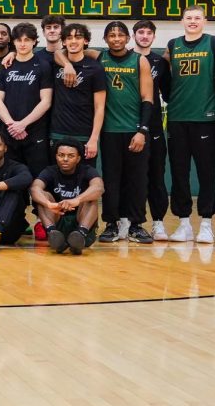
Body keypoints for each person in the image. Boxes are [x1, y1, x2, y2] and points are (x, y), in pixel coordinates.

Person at [164, 4, 215, 244]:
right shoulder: (173, 45)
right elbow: (160, 71)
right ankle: (184, 224)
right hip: (177, 117)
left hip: (205, 118)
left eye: (197, 17)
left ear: (205, 21)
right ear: (182, 21)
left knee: (206, 173)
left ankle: (207, 224)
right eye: (188, 17)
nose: (192, 21)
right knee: (179, 174)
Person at [95, 21, 154, 244]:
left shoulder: (140, 60)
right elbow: (63, 52)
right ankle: (111, 223)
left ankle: (136, 224)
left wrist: (142, 131)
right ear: (105, 39)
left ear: (128, 39)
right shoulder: (99, 58)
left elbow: (147, 99)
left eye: (120, 35)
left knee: (137, 179)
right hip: (109, 130)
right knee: (111, 179)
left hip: (134, 130)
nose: (116, 38)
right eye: (112, 35)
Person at [0, 22, 53, 177]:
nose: (23, 44)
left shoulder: (43, 65)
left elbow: (46, 101)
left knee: (39, 180)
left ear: (34, 41)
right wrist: (12, 125)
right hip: (9, 133)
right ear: (13, 42)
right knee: (13, 181)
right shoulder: (6, 66)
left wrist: (23, 124)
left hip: (35, 133)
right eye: (19, 40)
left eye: (27, 40)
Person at [133, 19, 172, 241]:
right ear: (134, 35)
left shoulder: (160, 62)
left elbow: (167, 94)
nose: (145, 36)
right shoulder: (125, 58)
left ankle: (158, 222)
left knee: (156, 177)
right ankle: (128, 221)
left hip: (154, 127)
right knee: (132, 178)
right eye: (141, 32)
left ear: (153, 37)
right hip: (128, 125)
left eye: (149, 33)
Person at [32, 141, 105, 256]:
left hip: (81, 223)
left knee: (91, 198)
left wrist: (77, 200)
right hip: (58, 223)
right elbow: (34, 189)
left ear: (78, 158)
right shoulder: (50, 171)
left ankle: (80, 236)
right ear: (56, 156)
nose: (65, 159)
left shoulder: (87, 170)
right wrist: (49, 204)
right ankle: (52, 233)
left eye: (71, 156)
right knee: (42, 196)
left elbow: (99, 188)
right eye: (61, 155)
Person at [49, 23, 106, 162]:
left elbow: (100, 107)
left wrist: (94, 139)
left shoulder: (95, 68)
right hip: (57, 133)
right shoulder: (56, 64)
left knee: (86, 179)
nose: (73, 41)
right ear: (63, 41)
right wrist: (67, 64)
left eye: (78, 37)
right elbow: (57, 53)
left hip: (84, 134)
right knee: (56, 178)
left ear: (85, 41)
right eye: (69, 38)